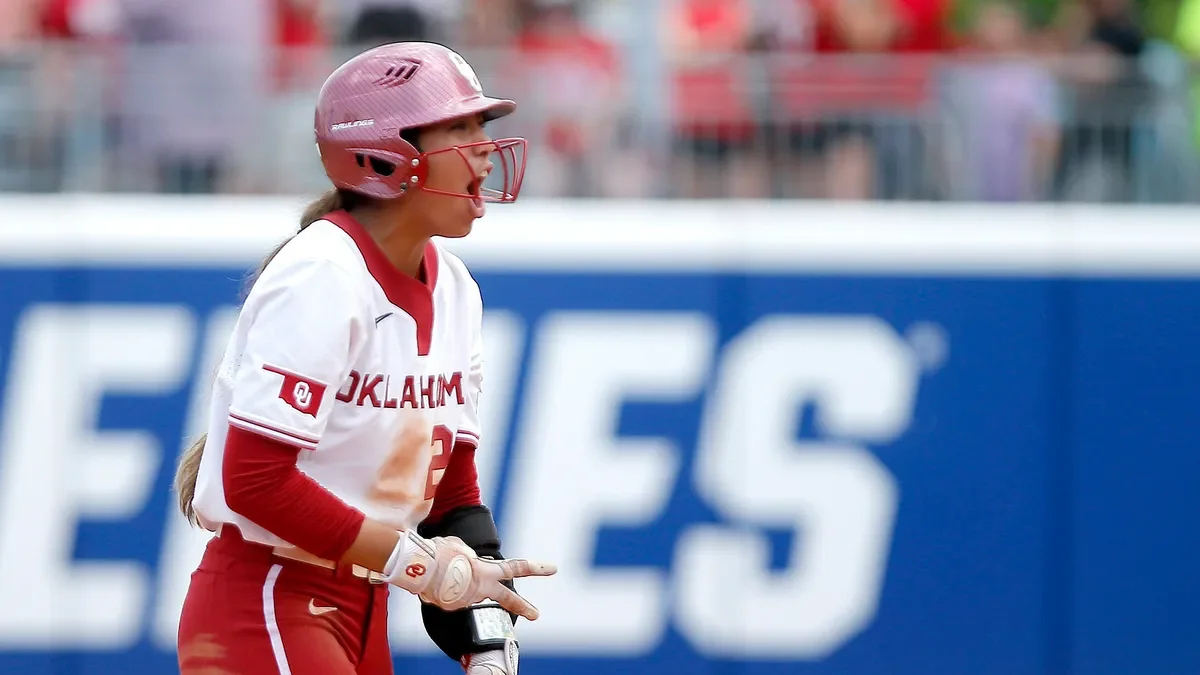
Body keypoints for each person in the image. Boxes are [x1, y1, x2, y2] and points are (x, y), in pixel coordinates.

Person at [171, 41, 555, 675]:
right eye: (459, 126)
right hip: (268, 598)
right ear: (383, 151)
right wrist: (417, 565)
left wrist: (482, 637)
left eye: (482, 125)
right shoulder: (323, 273)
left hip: (360, 606)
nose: (485, 146)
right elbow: (256, 482)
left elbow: (451, 496)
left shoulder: (455, 286)